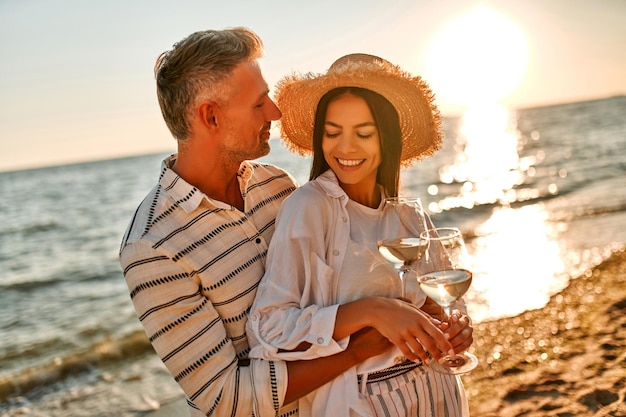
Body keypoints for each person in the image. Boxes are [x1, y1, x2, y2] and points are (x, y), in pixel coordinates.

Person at [119, 28, 402, 417]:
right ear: (211, 116)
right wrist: (354, 353)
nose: (275, 112)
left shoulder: (276, 185)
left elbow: (332, 286)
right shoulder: (152, 247)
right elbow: (225, 398)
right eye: (258, 103)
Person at [246, 53, 474, 416]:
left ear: (387, 138)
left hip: (439, 394)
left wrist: (457, 326)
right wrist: (373, 311)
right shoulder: (310, 207)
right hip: (362, 403)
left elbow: (447, 304)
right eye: (332, 132)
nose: (345, 148)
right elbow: (267, 328)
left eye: (363, 133)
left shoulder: (409, 216)